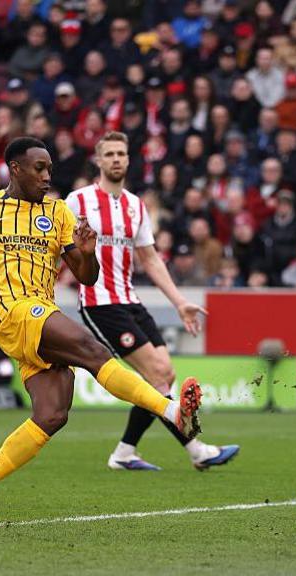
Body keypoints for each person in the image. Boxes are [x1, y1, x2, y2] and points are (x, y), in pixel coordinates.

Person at [0, 137, 203, 527]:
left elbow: (86, 276)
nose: (47, 176)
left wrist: (87, 252)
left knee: (52, 414)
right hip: (12, 312)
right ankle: (172, 412)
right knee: (93, 349)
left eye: (50, 168)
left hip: (41, 313)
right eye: (39, 168)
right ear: (15, 168)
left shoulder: (59, 213)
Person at [65, 132, 238, 471]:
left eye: (121, 154)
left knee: (165, 376)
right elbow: (58, 247)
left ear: (129, 160)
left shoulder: (135, 205)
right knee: (159, 373)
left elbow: (151, 259)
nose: (116, 159)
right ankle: (198, 451)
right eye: (110, 154)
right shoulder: (77, 202)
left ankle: (125, 453)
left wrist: (179, 302)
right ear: (99, 161)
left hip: (130, 299)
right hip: (100, 302)